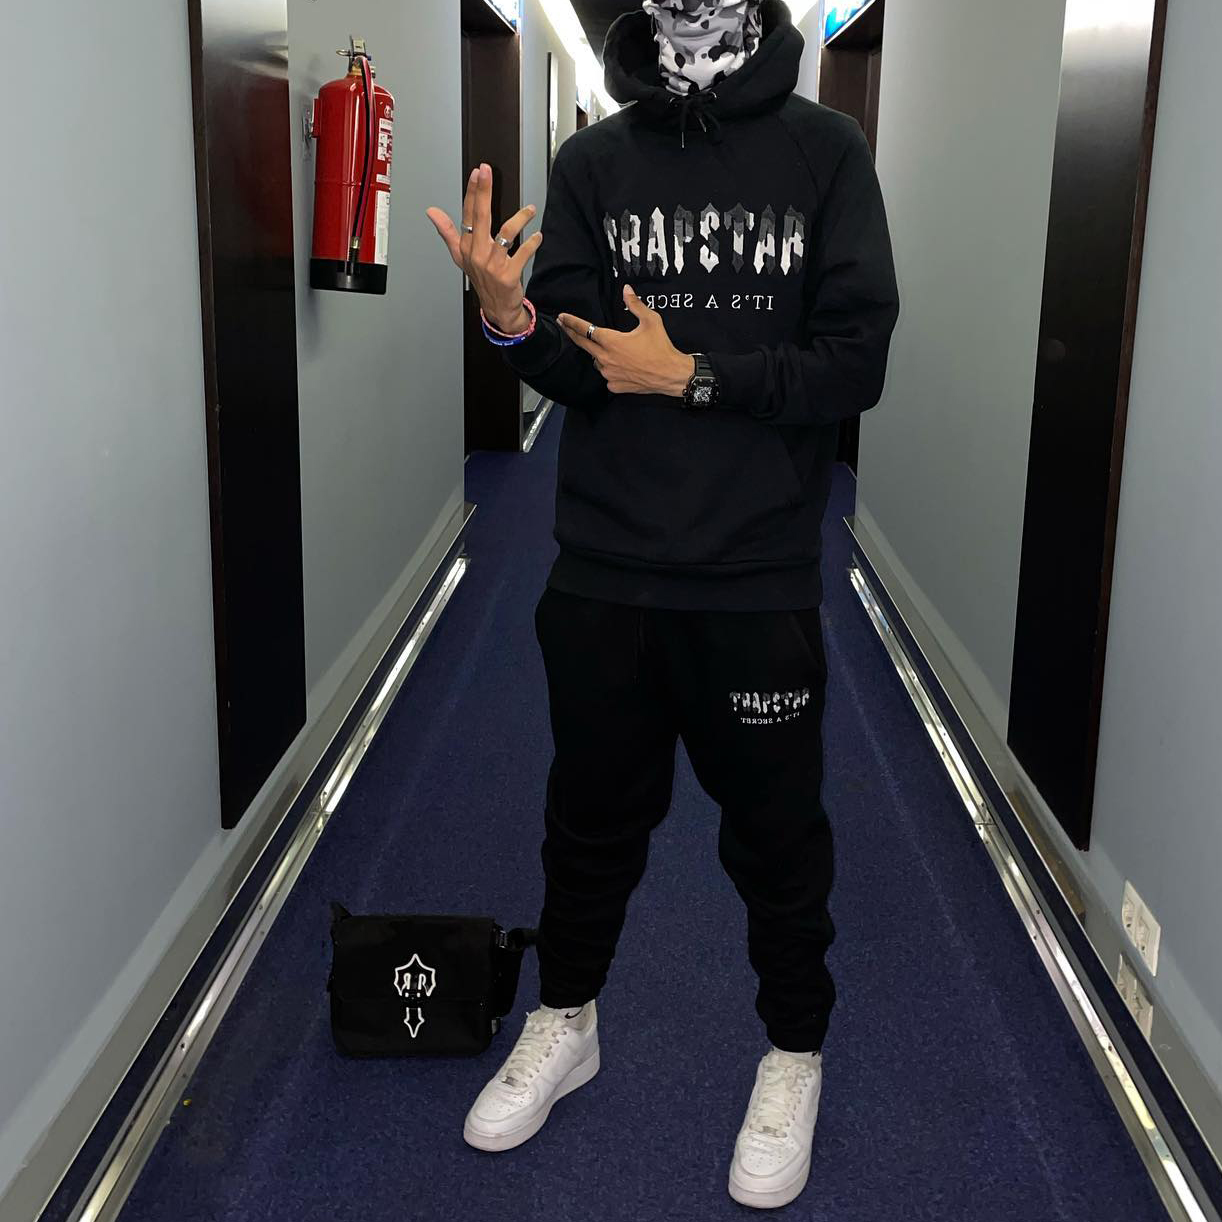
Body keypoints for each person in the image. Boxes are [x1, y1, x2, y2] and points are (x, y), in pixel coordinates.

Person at [426, 0, 897, 1207]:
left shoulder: (825, 152)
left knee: (777, 841)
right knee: (588, 821)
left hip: (755, 577)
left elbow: (855, 361)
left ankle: (793, 1050)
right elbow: (575, 364)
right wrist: (505, 317)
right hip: (605, 570)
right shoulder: (594, 161)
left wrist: (691, 375)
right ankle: (567, 1016)